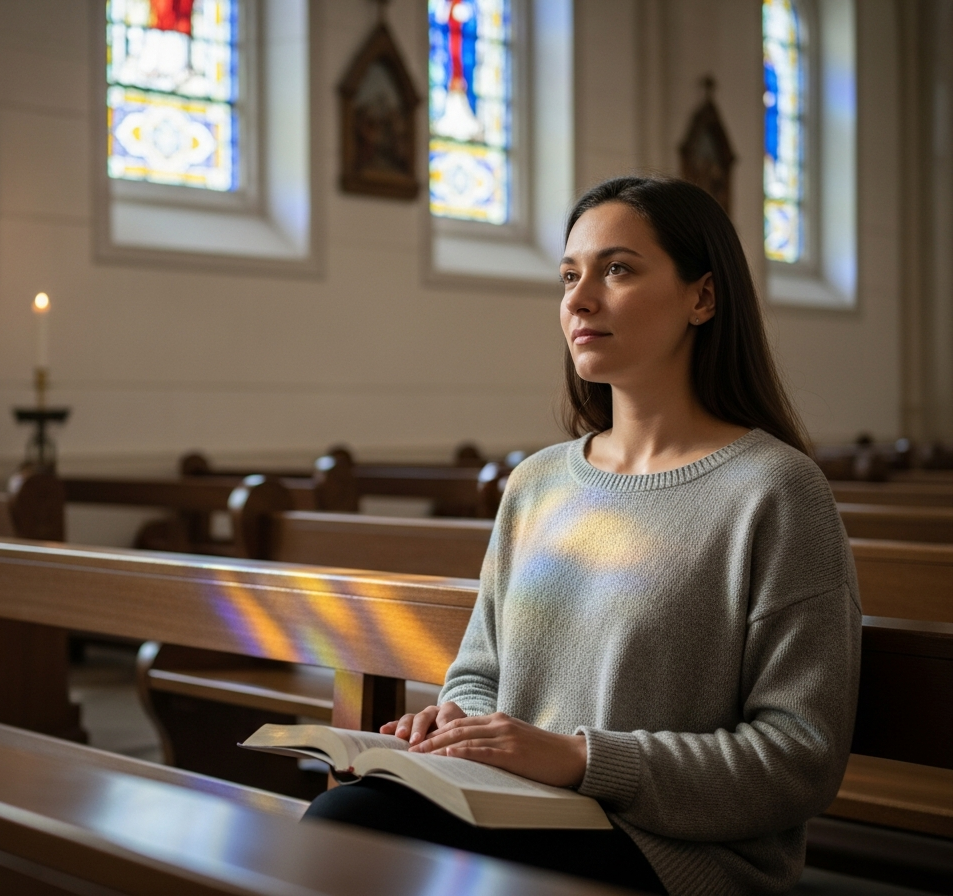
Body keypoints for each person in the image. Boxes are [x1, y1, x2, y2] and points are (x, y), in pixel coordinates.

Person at [303, 176, 861, 896]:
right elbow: (478, 674)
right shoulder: (537, 483)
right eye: (569, 275)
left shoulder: (775, 492)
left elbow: (798, 758)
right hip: (521, 810)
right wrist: (456, 727)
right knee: (343, 820)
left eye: (617, 269)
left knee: (365, 840)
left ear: (704, 297)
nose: (579, 297)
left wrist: (579, 759)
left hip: (675, 856)